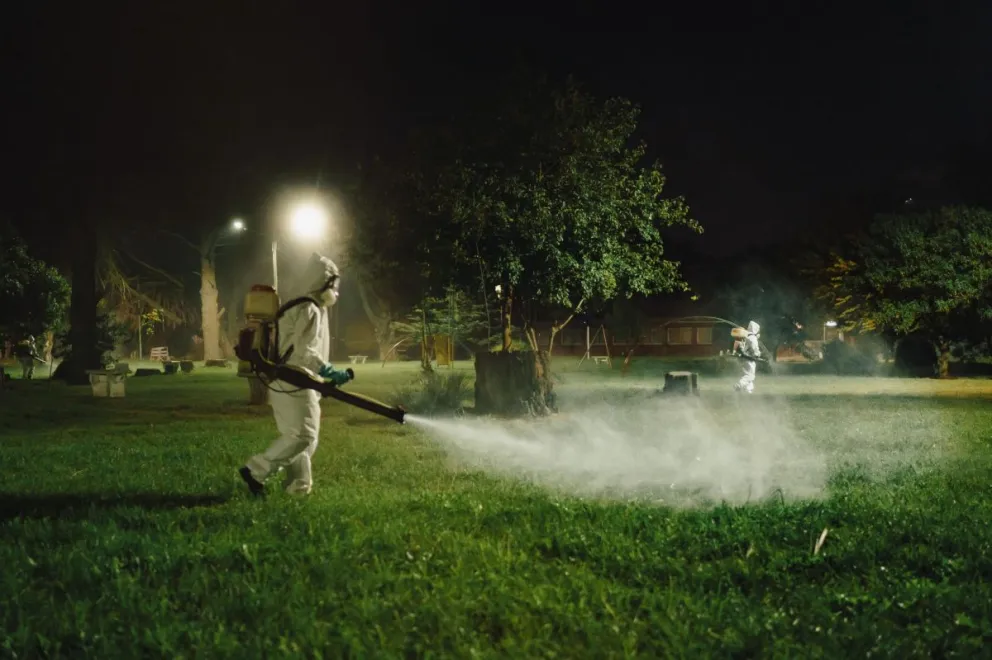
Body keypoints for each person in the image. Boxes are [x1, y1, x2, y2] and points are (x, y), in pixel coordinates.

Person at [239, 252, 351, 497]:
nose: (335, 291)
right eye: (333, 284)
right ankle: (256, 470)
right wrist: (329, 370)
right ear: (324, 282)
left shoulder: (304, 306)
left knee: (301, 438)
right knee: (303, 436)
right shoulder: (308, 308)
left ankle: (298, 488)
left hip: (287, 381)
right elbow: (304, 352)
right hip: (294, 380)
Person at [733, 321, 761, 394]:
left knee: (748, 375)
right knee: (750, 376)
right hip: (749, 359)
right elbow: (754, 348)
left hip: (743, 358)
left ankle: (748, 391)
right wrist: (757, 354)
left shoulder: (746, 335)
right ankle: (739, 385)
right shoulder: (752, 338)